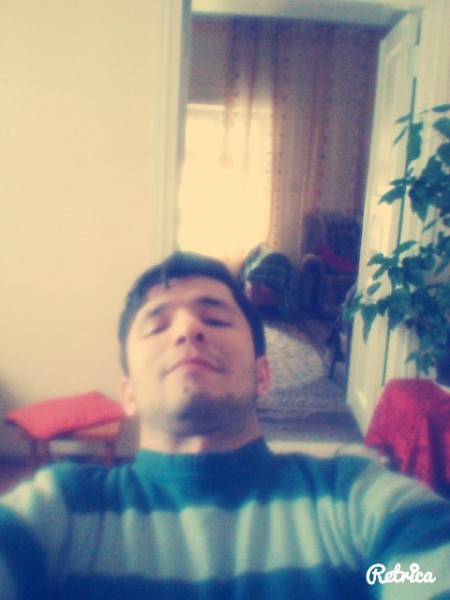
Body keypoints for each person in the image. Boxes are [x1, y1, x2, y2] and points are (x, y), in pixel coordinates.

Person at [0, 251, 449, 600]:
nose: (188, 330)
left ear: (262, 375)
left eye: (215, 319)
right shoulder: (60, 508)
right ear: (129, 393)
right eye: (157, 326)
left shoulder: (354, 495)